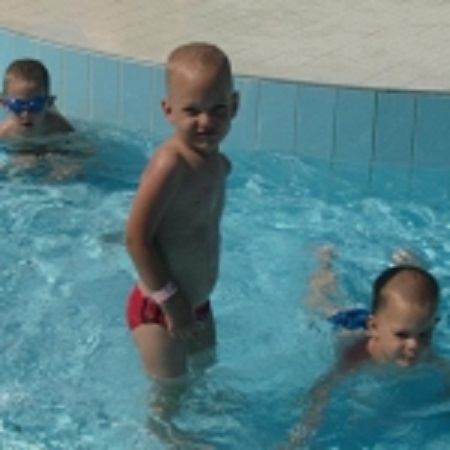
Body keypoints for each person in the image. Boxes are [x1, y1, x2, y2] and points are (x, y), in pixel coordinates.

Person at [125, 42, 239, 381]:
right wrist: (172, 302)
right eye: (192, 111)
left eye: (218, 109)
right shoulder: (171, 165)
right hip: (160, 308)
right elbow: (135, 239)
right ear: (169, 110)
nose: (206, 121)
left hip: (198, 306)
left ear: (235, 105)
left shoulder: (219, 164)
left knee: (205, 379)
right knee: (169, 398)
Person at [285, 246, 447, 448]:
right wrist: (302, 433)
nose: (414, 345)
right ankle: (324, 262)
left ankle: (410, 269)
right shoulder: (358, 356)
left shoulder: (422, 348)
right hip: (349, 324)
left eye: (424, 334)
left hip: (390, 319)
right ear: (374, 327)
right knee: (320, 301)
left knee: (413, 297)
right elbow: (323, 389)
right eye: (402, 335)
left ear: (434, 326)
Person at [0, 58, 88, 180]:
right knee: (23, 164)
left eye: (35, 105)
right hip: (20, 150)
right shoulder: (4, 131)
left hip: (51, 147)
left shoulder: (57, 126)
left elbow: (85, 150)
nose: (26, 114)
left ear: (49, 103)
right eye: (18, 105)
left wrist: (74, 164)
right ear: (4, 103)